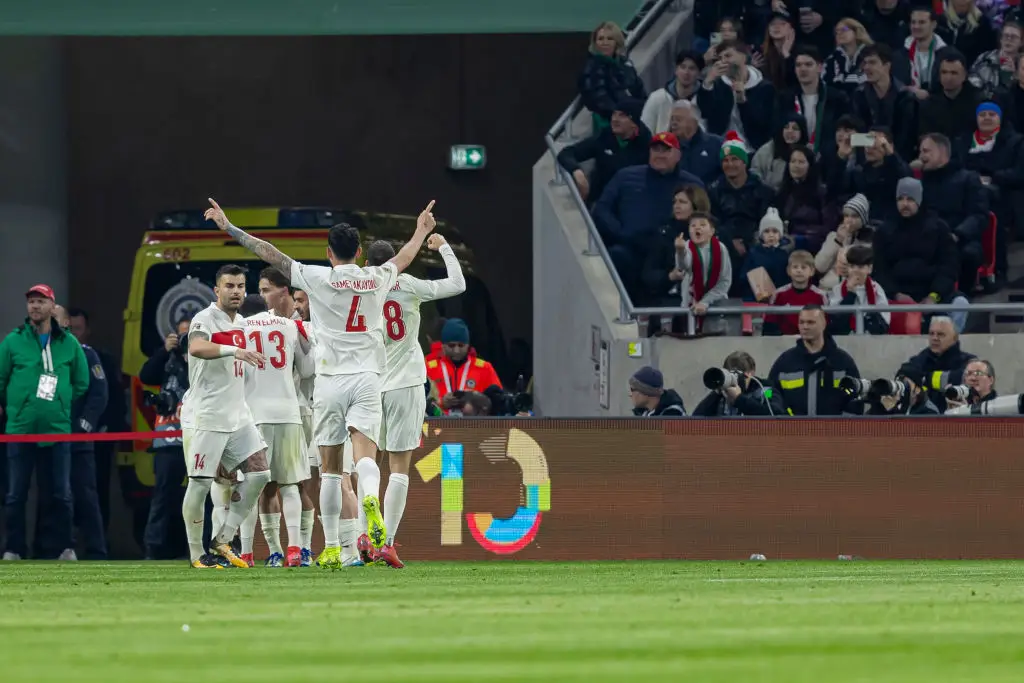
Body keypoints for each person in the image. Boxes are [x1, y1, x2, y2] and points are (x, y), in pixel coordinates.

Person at [206, 197, 435, 569]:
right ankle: (369, 503)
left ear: (329, 253)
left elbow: (271, 253)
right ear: (360, 252)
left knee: (329, 470)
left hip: (329, 381)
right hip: (367, 378)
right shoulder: (376, 277)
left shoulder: (317, 277)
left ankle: (334, 548)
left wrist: (230, 228)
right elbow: (405, 257)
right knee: (365, 458)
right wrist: (421, 229)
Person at [364, 231, 466, 568]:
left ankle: (363, 533)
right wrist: (445, 249)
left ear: (367, 264)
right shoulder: (408, 285)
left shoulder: (359, 290)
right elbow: (457, 285)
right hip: (406, 384)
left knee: (367, 462)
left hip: (369, 384)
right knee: (399, 467)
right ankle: (387, 542)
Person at [178, 263, 271, 569]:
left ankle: (223, 539)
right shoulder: (205, 318)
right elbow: (196, 347)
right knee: (201, 484)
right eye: (229, 286)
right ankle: (195, 555)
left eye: (240, 286)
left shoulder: (242, 323)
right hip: (209, 414)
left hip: (238, 414)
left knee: (260, 474)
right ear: (216, 290)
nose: (235, 291)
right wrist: (234, 350)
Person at [1, 285, 89, 561]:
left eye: (40, 301)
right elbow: (1, 381)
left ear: (53, 307)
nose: (35, 307)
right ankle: (14, 549)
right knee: (16, 494)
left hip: (57, 430)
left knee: (61, 494)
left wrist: (58, 405)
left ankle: (64, 547)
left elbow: (81, 382)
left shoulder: (69, 343)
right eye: (31, 302)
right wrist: (19, 407)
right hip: (19, 430)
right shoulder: (12, 342)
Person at [238, 294, 313, 568]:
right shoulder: (289, 325)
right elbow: (306, 370)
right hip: (288, 413)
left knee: (250, 487)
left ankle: (246, 553)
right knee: (290, 484)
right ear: (267, 309)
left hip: (253, 416)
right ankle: (295, 548)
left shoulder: (238, 328)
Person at [34, 305, 108, 560]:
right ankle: (56, 548)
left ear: (65, 323)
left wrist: (84, 425)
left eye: (55, 318)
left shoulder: (86, 355)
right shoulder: (48, 358)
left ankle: (97, 551)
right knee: (53, 495)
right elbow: (45, 395)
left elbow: (99, 394)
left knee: (85, 496)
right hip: (53, 439)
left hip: (78, 440)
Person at [767, 305, 861, 416]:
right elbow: (769, 393)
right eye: (801, 322)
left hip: (835, 432)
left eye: (811, 322)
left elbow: (856, 401)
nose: (805, 327)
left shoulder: (843, 362)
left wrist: (841, 428)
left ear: (823, 324)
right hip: (793, 432)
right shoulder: (784, 362)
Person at [290, 286, 318, 562]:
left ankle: (347, 545)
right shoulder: (292, 327)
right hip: (305, 409)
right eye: (294, 300)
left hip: (314, 411)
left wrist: (299, 331)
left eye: (301, 300)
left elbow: (309, 369)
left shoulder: (315, 327)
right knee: (298, 483)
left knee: (342, 478)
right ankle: (302, 548)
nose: (296, 305)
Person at [427, 319, 503, 411]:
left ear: (468, 345)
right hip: (438, 424)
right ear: (443, 345)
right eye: (451, 346)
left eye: (461, 345)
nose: (456, 351)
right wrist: (441, 403)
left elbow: (499, 403)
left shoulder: (484, 368)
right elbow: (417, 403)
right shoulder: (429, 369)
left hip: (476, 424)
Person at [692, 351, 784, 417]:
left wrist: (739, 399)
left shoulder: (765, 391)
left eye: (738, 375)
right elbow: (695, 419)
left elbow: (776, 414)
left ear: (751, 373)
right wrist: (717, 392)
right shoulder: (721, 395)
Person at [826, 244, 891, 335]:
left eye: (860, 267)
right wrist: (850, 294)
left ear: (870, 269)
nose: (856, 271)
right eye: (852, 266)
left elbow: (883, 324)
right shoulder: (837, 289)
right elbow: (836, 325)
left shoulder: (877, 289)